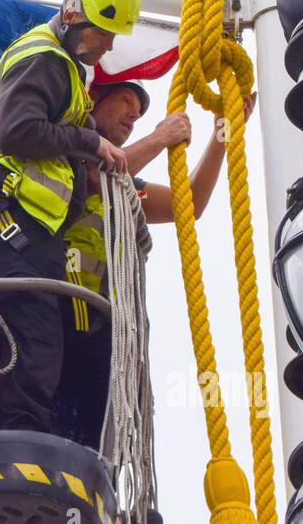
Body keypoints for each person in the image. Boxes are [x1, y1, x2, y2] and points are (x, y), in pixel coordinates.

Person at [0, 0, 139, 432]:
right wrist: (89, 141)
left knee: (13, 347)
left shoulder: (60, 65)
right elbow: (21, 131)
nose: (107, 44)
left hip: (22, 231)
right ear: (71, 12)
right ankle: (23, 460)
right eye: (103, 31)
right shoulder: (46, 59)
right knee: (36, 348)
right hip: (16, 228)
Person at [54, 78, 257, 447]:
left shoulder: (127, 187)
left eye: (140, 111)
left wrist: (222, 133)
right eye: (125, 101)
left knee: (96, 439)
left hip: (104, 328)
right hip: (53, 318)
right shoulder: (65, 152)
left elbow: (190, 202)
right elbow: (95, 176)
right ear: (93, 100)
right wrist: (161, 137)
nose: (134, 114)